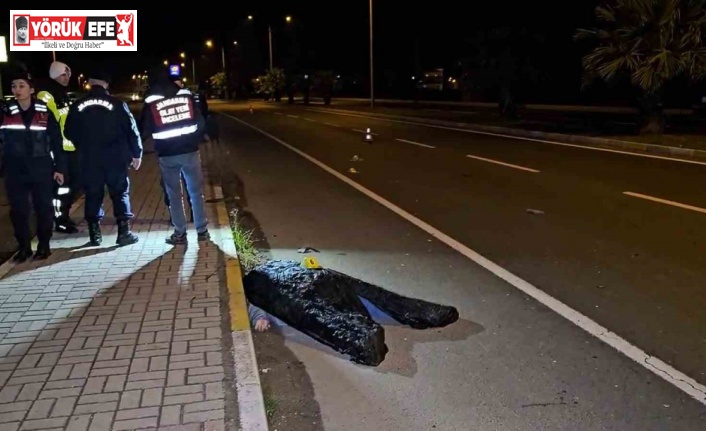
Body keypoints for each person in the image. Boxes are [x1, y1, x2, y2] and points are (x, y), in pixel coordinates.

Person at [64, 70, 142, 247]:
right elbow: (131, 130)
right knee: (120, 193)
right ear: (106, 84)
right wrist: (136, 153)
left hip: (89, 159)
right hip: (115, 158)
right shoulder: (118, 104)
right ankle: (124, 234)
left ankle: (94, 235)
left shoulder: (77, 105)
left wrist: (82, 145)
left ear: (90, 84)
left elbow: (68, 131)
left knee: (93, 194)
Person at [0, 69, 66, 262]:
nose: (17, 90)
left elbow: (56, 141)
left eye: (21, 86)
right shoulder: (5, 111)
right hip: (14, 169)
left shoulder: (44, 111)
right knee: (19, 211)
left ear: (31, 89)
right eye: (14, 86)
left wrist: (60, 168)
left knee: (43, 208)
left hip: (41, 167)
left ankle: (44, 245)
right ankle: (24, 247)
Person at [141, 67, 209, 245]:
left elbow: (145, 128)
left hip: (167, 154)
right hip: (190, 151)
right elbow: (200, 121)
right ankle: (202, 231)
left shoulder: (151, 101)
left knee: (174, 195)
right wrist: (194, 138)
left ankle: (180, 233)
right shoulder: (186, 97)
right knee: (196, 192)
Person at [37, 61, 81, 234]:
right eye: (64, 74)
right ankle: (60, 219)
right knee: (61, 187)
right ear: (55, 75)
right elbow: (48, 124)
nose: (67, 78)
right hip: (58, 149)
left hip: (69, 148)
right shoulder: (46, 95)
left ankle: (64, 215)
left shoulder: (62, 93)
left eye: (68, 74)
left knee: (73, 185)